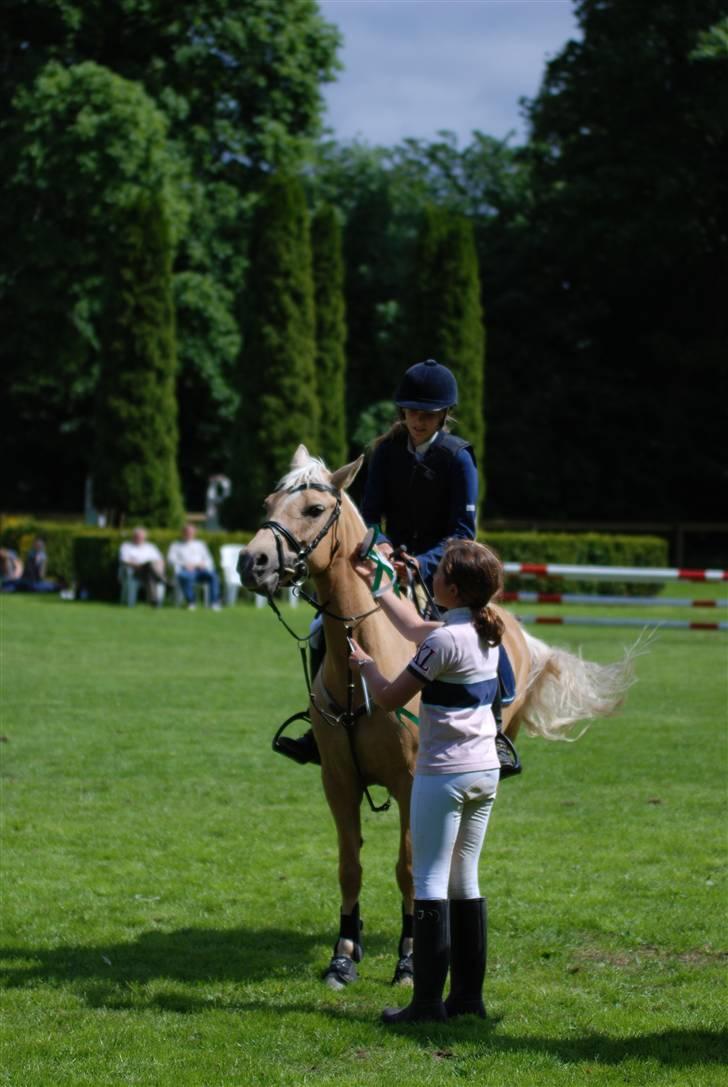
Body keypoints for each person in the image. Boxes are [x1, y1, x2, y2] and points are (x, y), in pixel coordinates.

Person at [277, 357, 514, 765]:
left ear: (444, 414)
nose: (418, 420)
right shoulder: (385, 453)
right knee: (320, 629)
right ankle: (319, 726)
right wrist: (383, 546)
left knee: (483, 634)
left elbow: (463, 531)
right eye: (412, 411)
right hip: (385, 564)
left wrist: (420, 563)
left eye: (428, 414)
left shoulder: (458, 458)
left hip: (442, 571)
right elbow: (369, 516)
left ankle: (496, 727)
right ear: (402, 411)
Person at [348, 537, 504, 1024]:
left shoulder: (442, 641)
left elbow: (390, 698)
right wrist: (379, 586)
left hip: (445, 773)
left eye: (439, 574)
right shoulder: (484, 630)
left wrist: (366, 667)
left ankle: (426, 1004)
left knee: (430, 879)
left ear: (452, 589)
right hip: (485, 771)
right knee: (465, 879)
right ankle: (468, 999)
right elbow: (413, 626)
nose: (431, 576)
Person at [167, 523, 222, 610]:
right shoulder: (176, 545)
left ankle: (214, 603)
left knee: (213, 576)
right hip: (186, 571)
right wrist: (185, 564)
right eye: (187, 532)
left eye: (191, 532)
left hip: (201, 571)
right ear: (183, 533)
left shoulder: (201, 544)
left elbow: (209, 559)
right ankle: (191, 602)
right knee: (184, 576)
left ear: (195, 533)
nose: (189, 534)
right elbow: (170, 560)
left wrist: (203, 564)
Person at [119, 527, 166, 607]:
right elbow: (124, 560)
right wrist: (138, 565)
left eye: (141, 537)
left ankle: (154, 599)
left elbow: (160, 560)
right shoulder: (126, 546)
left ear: (145, 537)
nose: (139, 538)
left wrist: (160, 568)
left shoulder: (151, 547)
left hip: (149, 574)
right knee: (149, 566)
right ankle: (162, 579)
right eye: (137, 536)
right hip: (135, 572)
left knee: (150, 573)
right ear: (133, 536)